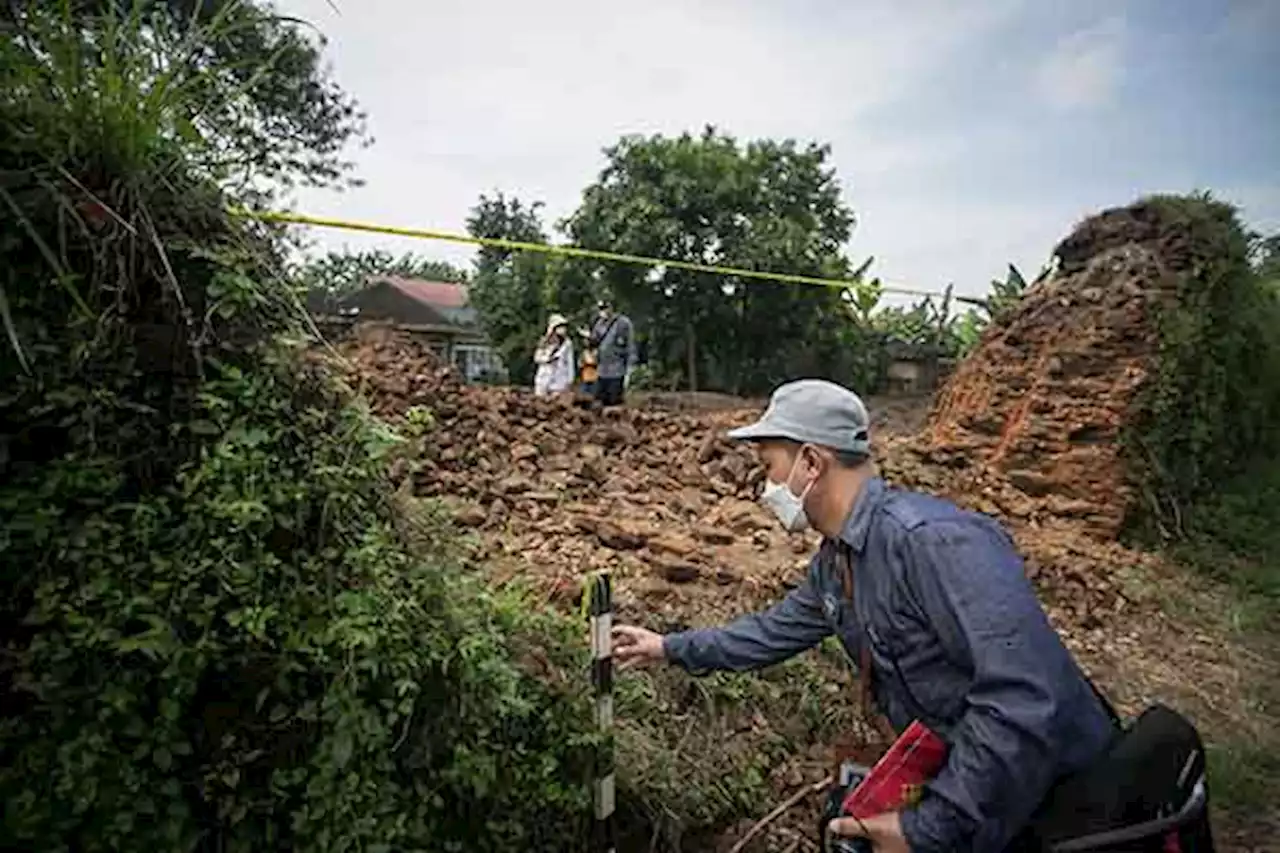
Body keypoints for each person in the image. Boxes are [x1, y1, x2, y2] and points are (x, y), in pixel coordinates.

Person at [611, 379, 1116, 853]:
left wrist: (927, 829)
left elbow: (1023, 699)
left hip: (1066, 800)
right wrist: (667, 647)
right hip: (988, 786)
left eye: (768, 466)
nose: (764, 487)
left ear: (810, 461)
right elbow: (768, 633)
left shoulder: (932, 541)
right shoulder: (837, 564)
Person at [586, 298, 636, 407]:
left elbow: (630, 346)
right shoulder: (599, 323)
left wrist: (630, 369)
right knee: (598, 402)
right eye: (601, 309)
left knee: (614, 403)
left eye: (605, 308)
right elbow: (594, 341)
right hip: (602, 370)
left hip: (617, 369)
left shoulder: (623, 323)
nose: (603, 311)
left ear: (612, 308)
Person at [532, 313, 575, 396]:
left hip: (559, 379)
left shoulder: (567, 344)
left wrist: (570, 380)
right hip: (544, 377)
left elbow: (570, 362)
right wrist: (548, 359)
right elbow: (537, 358)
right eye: (560, 326)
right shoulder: (545, 342)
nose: (563, 329)